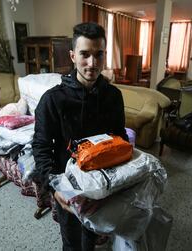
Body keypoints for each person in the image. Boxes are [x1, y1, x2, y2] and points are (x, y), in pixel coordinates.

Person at [32, 22, 128, 251]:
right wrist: (55, 189)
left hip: (103, 183)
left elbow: (120, 137)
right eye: (85, 54)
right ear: (73, 56)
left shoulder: (114, 96)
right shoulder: (52, 100)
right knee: (73, 242)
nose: (92, 64)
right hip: (69, 189)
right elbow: (41, 147)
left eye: (99, 55)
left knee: (93, 237)